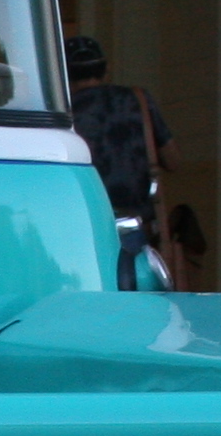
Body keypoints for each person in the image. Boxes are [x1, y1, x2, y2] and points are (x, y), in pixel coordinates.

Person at [65, 34, 175, 286]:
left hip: (89, 226)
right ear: (106, 69)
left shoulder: (62, 111)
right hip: (139, 226)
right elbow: (172, 159)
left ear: (65, 75)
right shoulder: (137, 99)